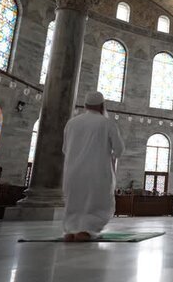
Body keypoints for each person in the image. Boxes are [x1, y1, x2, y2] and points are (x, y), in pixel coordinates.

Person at [62, 92, 125, 242]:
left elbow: (65, 149)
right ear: (102, 106)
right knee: (96, 202)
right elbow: (119, 150)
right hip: (97, 171)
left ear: (85, 105)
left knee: (75, 201)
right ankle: (86, 230)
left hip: (73, 172)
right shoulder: (106, 123)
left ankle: (71, 230)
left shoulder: (71, 123)